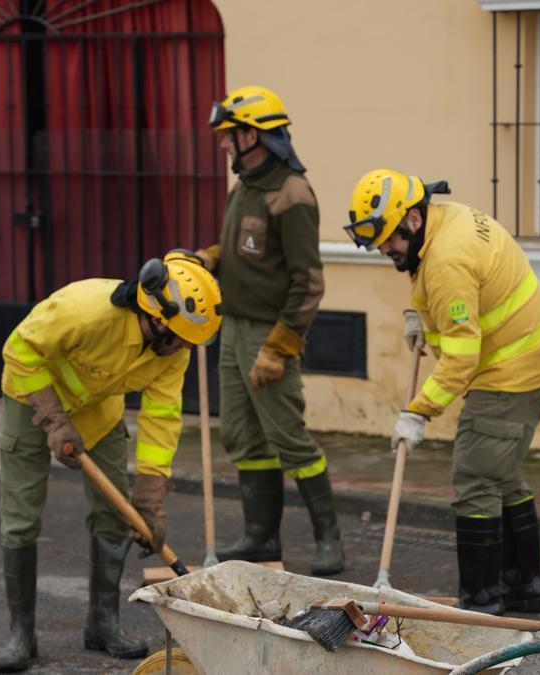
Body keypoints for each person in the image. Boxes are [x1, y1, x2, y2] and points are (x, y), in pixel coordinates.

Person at [343, 169, 540, 615]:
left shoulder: (447, 259)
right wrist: (418, 314)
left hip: (509, 373)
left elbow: (461, 357)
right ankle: (524, 586)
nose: (385, 250)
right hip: (532, 357)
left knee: (475, 480)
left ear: (412, 220)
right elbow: (431, 276)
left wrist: (418, 412)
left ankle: (482, 600)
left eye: (388, 239)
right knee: (500, 476)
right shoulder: (445, 220)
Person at [0, 251, 222, 672]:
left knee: (113, 516)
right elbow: (19, 350)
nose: (184, 348)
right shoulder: (84, 309)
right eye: (181, 337)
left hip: (98, 413)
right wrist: (53, 419)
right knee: (21, 516)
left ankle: (102, 624)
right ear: (156, 316)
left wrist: (151, 501)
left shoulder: (173, 351)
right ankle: (20, 634)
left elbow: (162, 416)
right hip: (32, 397)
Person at [194, 86, 343, 576]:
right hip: (233, 328)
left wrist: (280, 348)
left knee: (289, 438)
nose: (223, 146)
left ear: (253, 135)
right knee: (240, 434)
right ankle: (261, 537)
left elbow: (309, 282)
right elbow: (236, 246)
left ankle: (330, 540)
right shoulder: (246, 185)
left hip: (268, 335)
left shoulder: (292, 193)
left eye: (229, 136)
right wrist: (207, 260)